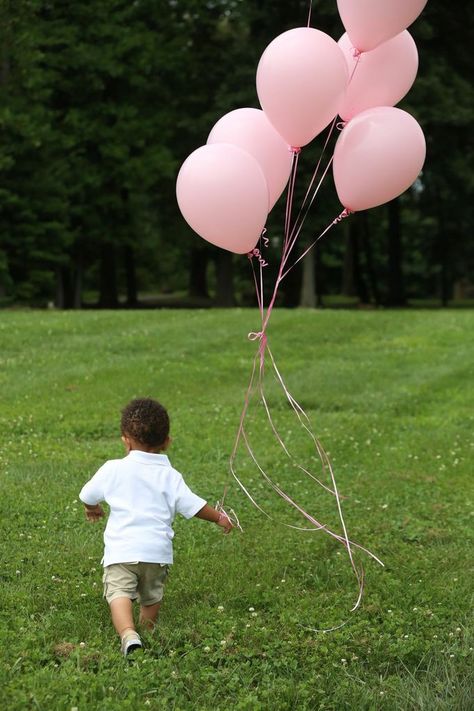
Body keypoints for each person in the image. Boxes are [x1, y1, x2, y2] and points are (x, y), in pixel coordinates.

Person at [79, 397, 233, 657]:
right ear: (167, 442)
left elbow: (87, 494)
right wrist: (218, 517)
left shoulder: (112, 469)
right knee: (151, 597)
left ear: (125, 440)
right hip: (156, 553)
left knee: (118, 594)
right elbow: (193, 506)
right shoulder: (170, 476)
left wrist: (92, 508)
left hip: (121, 552)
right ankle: (147, 630)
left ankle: (128, 634)